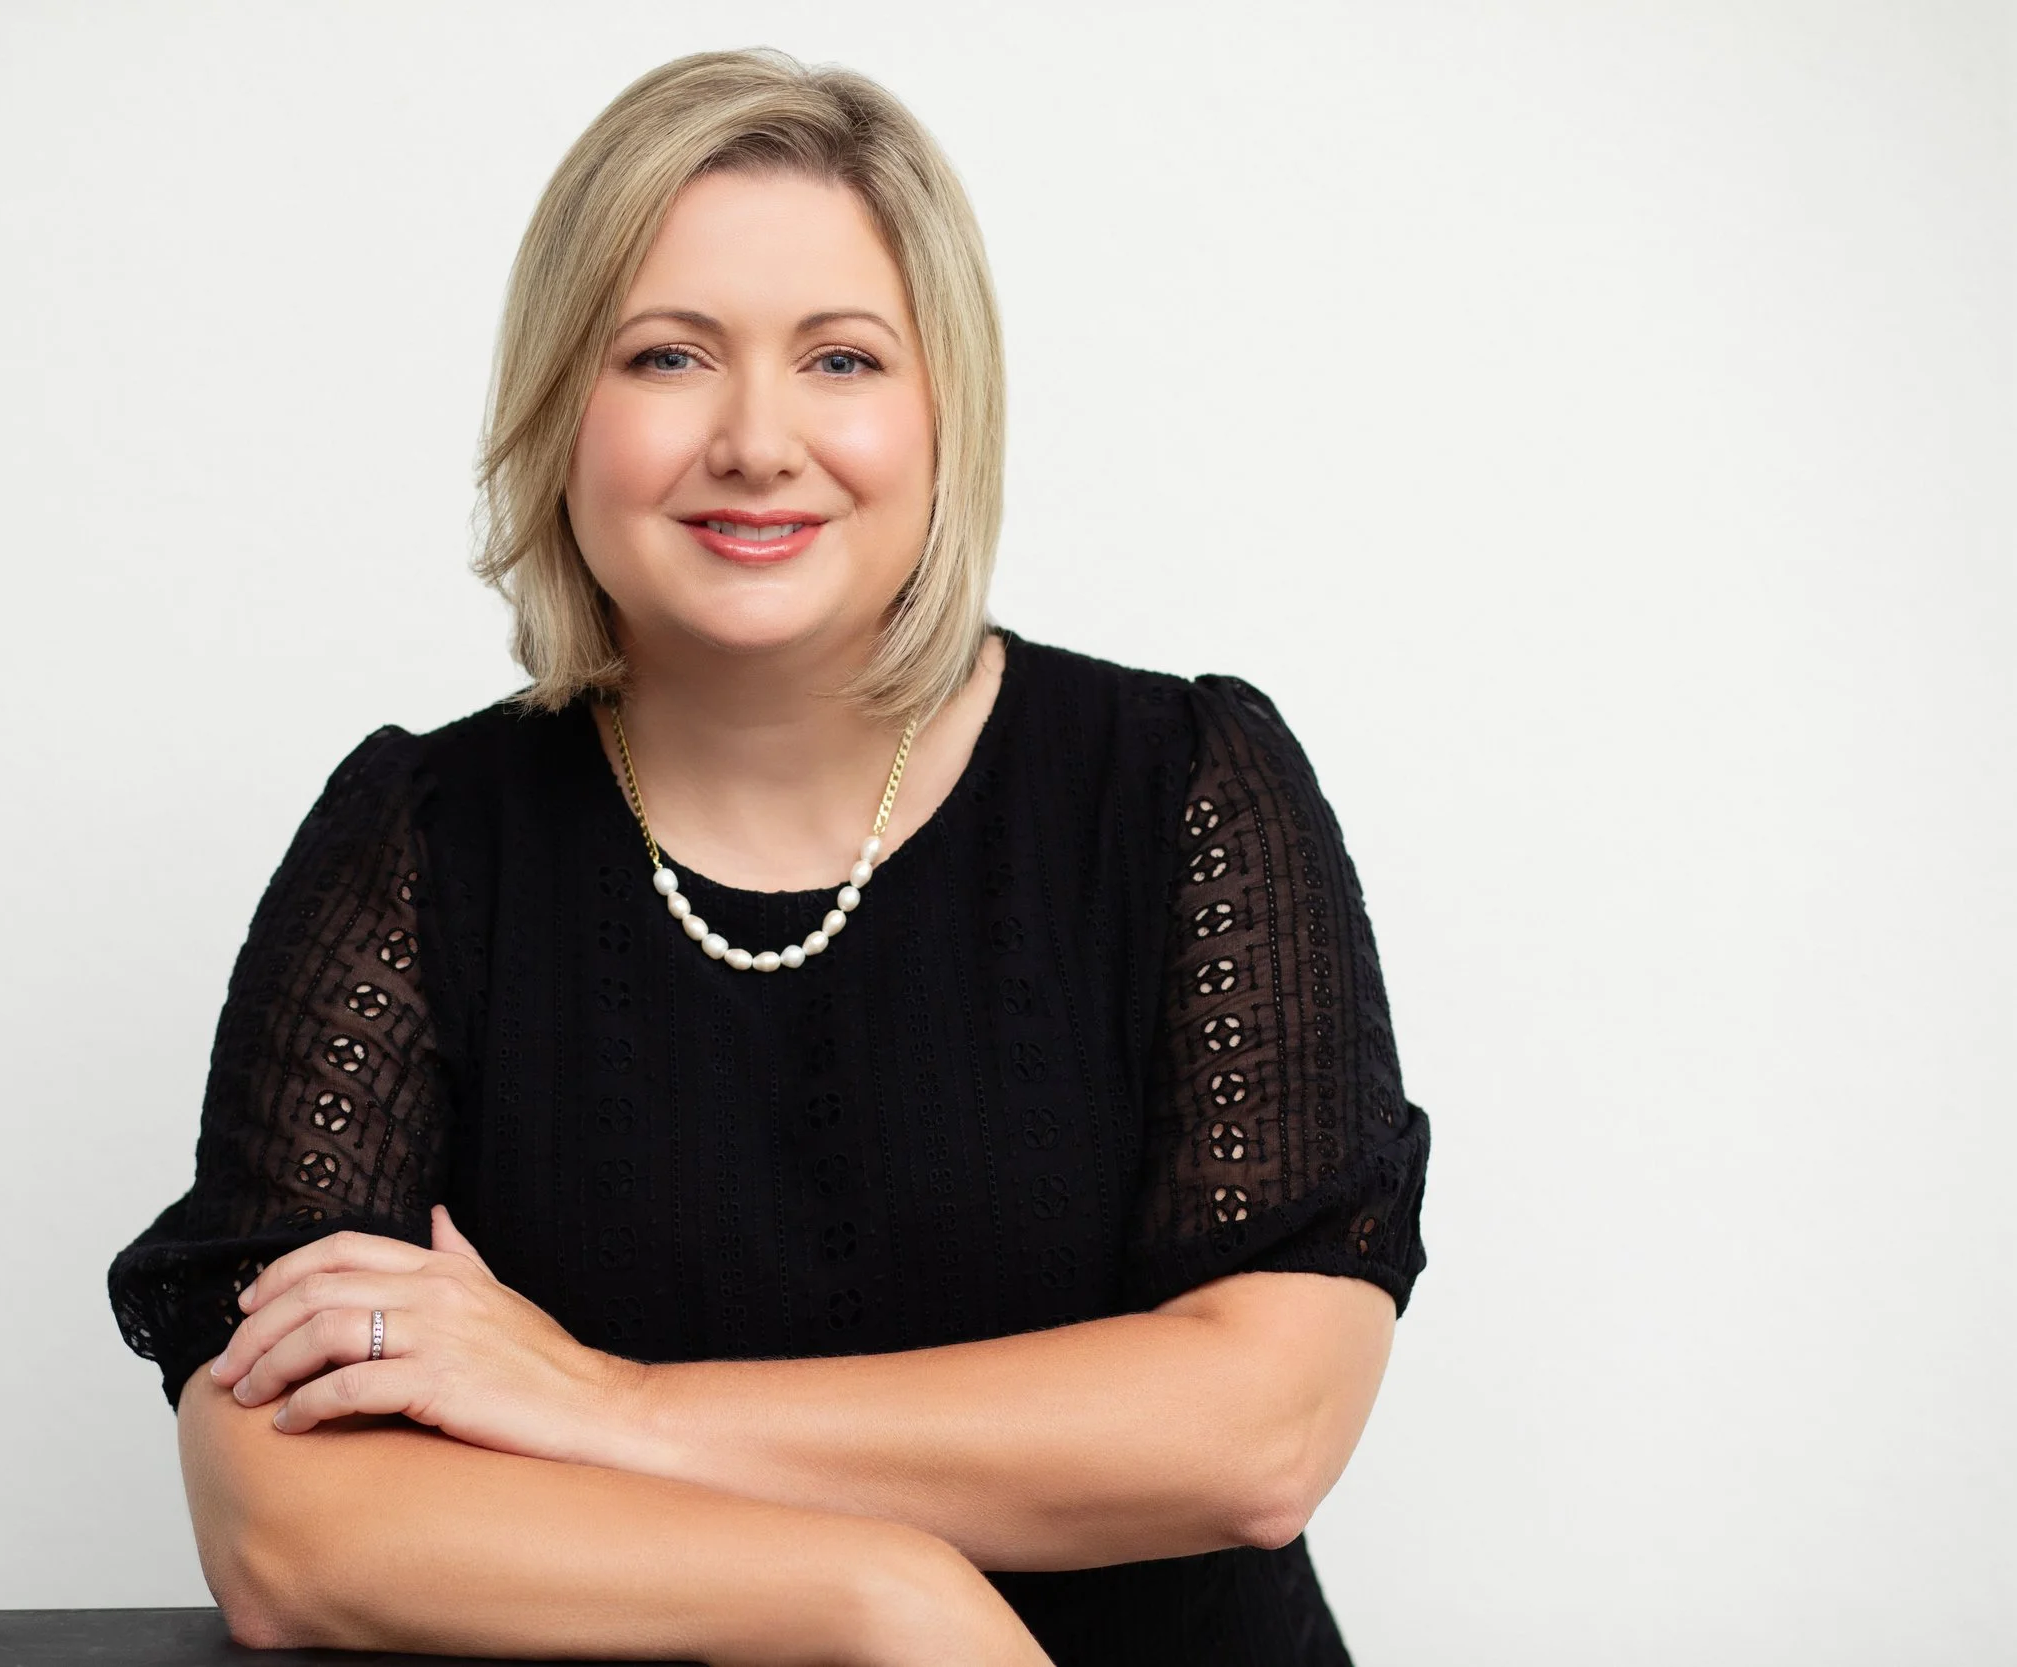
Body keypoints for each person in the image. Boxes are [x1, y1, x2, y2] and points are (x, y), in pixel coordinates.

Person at [106, 45, 1430, 1667]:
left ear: (946, 412)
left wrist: (603, 1401)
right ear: (561, 407)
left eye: (841, 359)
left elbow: (1260, 1430)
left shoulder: (1183, 788)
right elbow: (286, 1528)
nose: (754, 439)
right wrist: (884, 1599)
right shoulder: (420, 842)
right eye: (667, 356)